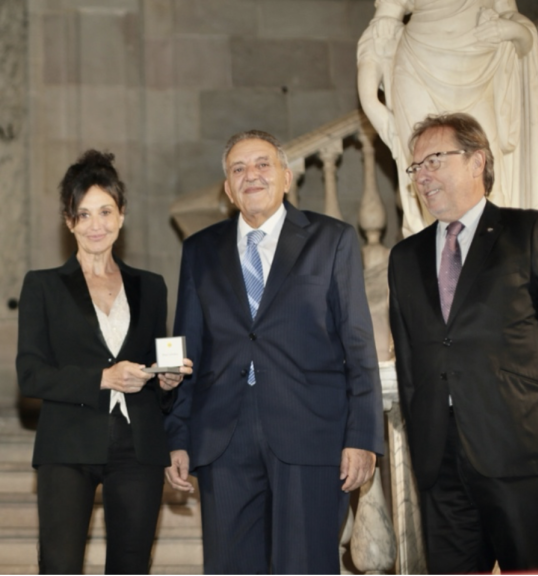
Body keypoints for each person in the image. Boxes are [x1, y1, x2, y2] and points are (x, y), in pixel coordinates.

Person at [164, 130, 383, 574]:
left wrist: (362, 436)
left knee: (303, 566)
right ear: (227, 189)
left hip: (310, 434)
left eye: (262, 164)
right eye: (238, 169)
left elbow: (358, 346)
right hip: (223, 439)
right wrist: (178, 436)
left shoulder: (332, 240)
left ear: (286, 176)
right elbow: (188, 348)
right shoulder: (199, 250)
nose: (251, 175)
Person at [388, 112, 538, 573]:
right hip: (439, 462)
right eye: (416, 167)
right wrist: (423, 437)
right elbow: (410, 361)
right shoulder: (404, 258)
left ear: (477, 161)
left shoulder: (528, 232)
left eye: (435, 160)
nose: (423, 175)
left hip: (517, 450)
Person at [16, 150, 191, 574]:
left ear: (122, 215)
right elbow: (30, 374)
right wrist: (103, 378)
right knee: (59, 565)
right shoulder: (43, 287)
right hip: (68, 443)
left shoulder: (151, 287)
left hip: (139, 446)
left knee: (131, 565)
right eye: (84, 214)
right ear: (68, 220)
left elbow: (155, 364)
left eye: (106, 212)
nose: (96, 225)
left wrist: (166, 382)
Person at [357, 0, 538, 236]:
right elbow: (382, 27)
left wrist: (508, 30)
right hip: (416, 65)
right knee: (427, 171)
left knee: (484, 168)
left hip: (481, 63)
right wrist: (369, 99)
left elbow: (520, 31)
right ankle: (437, 255)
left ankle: (497, 250)